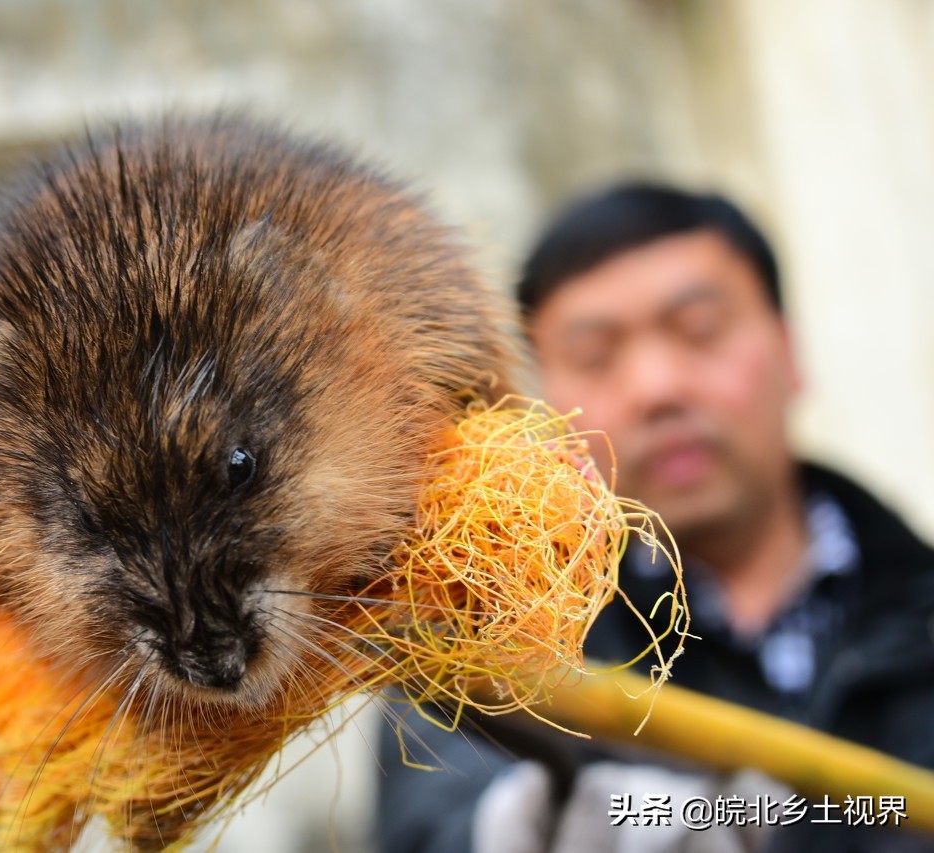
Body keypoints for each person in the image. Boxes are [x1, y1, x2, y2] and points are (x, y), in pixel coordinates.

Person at [374, 183, 934, 853]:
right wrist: (526, 825)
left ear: (789, 351)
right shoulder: (480, 648)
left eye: (700, 331)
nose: (657, 386)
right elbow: (439, 811)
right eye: (596, 357)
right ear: (543, 404)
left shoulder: (918, 602)